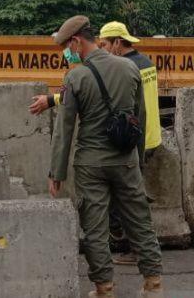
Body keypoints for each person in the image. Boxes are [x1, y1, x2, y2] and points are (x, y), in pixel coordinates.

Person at [48, 15, 163, 298]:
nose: (65, 52)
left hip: (90, 165)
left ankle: (104, 289)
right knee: (140, 221)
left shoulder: (75, 76)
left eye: (65, 46)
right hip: (126, 161)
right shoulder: (129, 68)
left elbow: (65, 129)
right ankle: (153, 285)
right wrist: (136, 160)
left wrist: (57, 173)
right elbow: (140, 118)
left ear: (76, 41)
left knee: (95, 228)